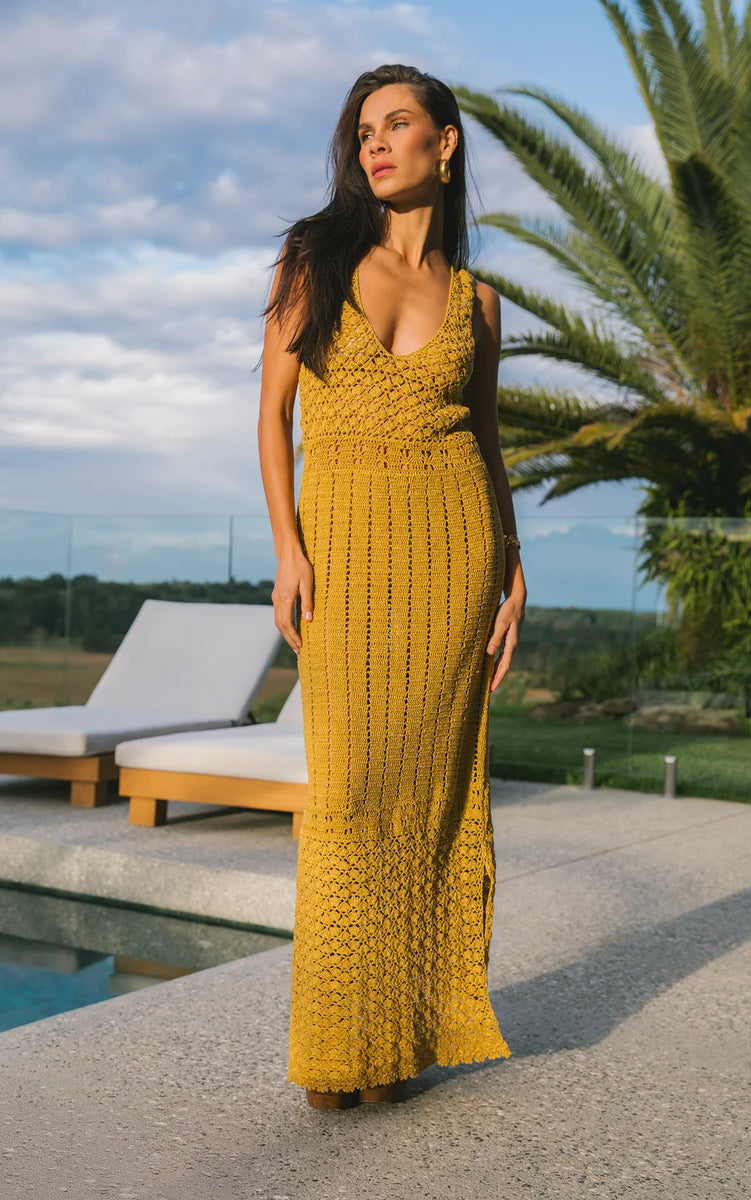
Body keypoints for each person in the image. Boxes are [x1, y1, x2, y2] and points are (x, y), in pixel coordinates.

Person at [257, 63, 527, 1110]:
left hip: (455, 554)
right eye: (362, 129)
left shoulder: (478, 302)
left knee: (432, 798)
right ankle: (338, 1043)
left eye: (397, 124)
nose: (374, 144)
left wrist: (511, 571)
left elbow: (489, 445)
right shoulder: (315, 259)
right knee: (352, 795)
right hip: (347, 548)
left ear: (443, 144)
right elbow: (274, 416)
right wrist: (288, 548)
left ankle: (400, 1040)